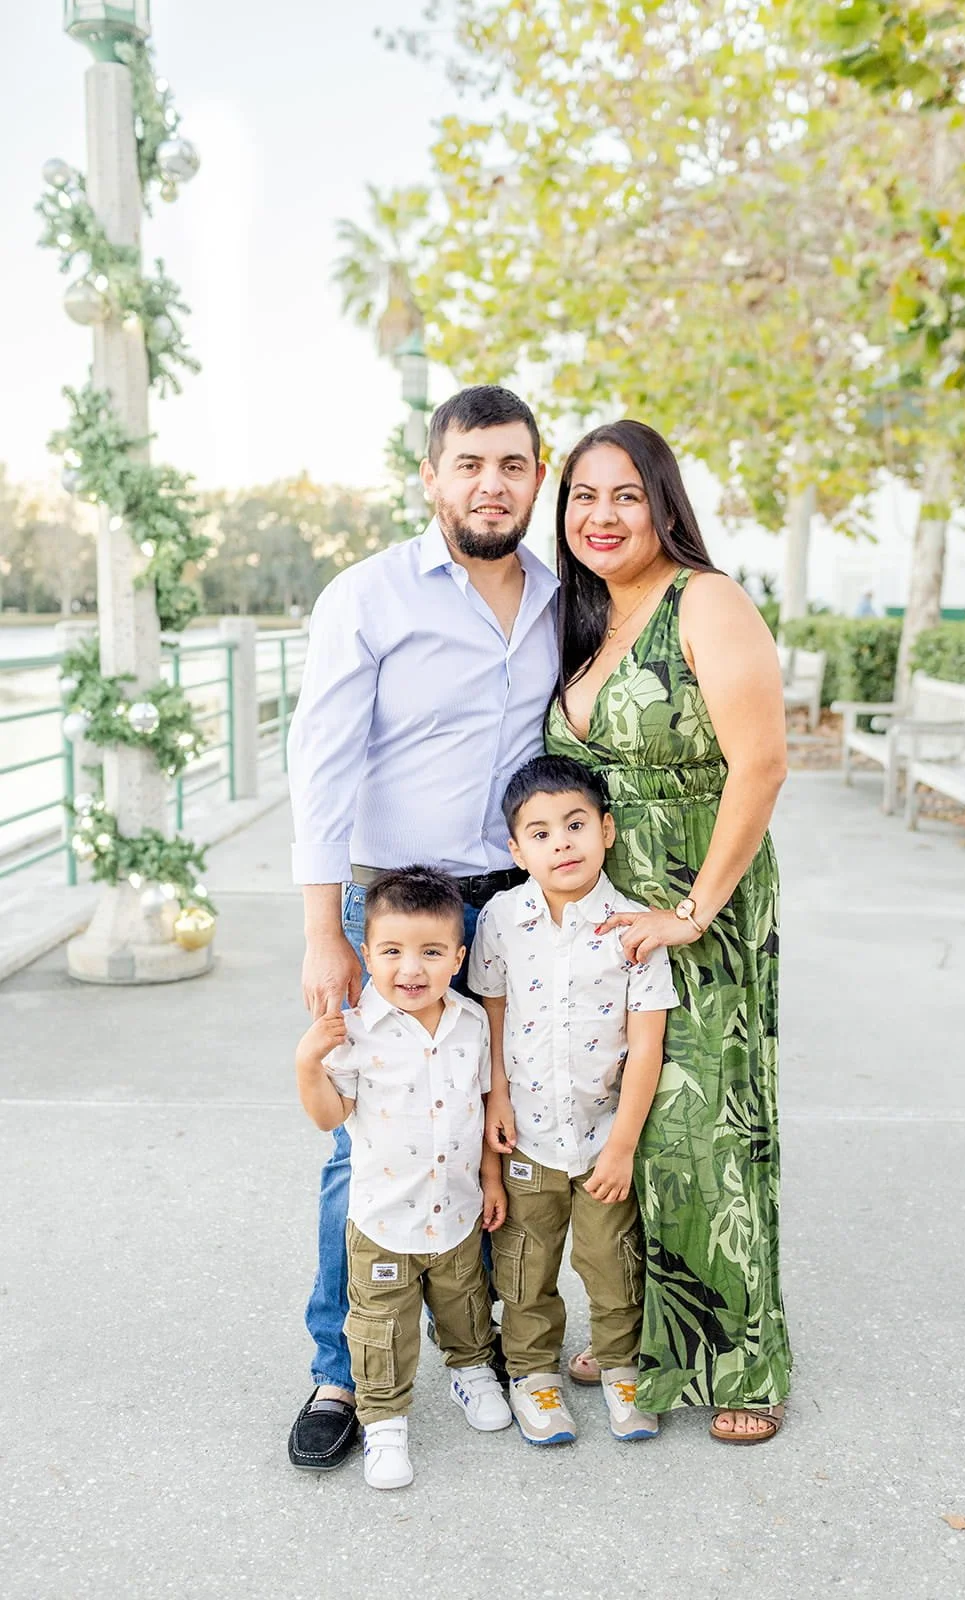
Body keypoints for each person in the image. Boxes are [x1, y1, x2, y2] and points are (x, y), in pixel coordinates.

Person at [285, 385, 557, 1471]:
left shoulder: (556, 594)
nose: (490, 484)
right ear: (430, 477)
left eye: (511, 464)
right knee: (371, 1142)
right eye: (469, 464)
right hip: (389, 902)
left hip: (509, 900)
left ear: (535, 476)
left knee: (491, 1117)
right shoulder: (367, 594)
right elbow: (322, 766)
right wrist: (323, 932)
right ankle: (340, 1367)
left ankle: (470, 1342)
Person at [544, 419, 792, 1444]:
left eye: (624, 496)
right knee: (620, 1119)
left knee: (704, 1124)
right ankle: (636, 1325)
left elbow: (761, 763)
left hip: (698, 902)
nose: (600, 517)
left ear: (662, 505)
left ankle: (742, 1356)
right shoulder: (589, 615)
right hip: (606, 920)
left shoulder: (707, 599)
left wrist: (692, 913)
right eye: (582, 498)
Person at [469, 754, 678, 1445]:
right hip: (526, 1135)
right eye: (540, 832)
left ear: (607, 831)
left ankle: (620, 1368)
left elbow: (646, 1044)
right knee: (523, 1266)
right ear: (515, 849)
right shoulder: (501, 917)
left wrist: (621, 1146)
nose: (561, 842)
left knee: (612, 1265)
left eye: (575, 824)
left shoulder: (632, 927)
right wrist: (494, 1102)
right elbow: (491, 1015)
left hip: (599, 1143)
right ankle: (533, 1376)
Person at [295, 868, 512, 1490]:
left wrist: (492, 1180)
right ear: (367, 953)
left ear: (459, 956)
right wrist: (306, 1063)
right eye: (391, 951)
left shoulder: (471, 1024)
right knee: (381, 1325)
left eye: (431, 952)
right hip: (384, 1219)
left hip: (458, 1212)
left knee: (465, 1302)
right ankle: (384, 1421)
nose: (410, 969)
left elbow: (479, 1107)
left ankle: (471, 1373)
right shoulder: (355, 1031)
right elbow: (328, 1116)